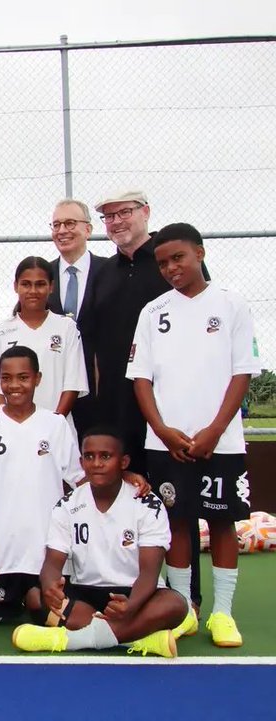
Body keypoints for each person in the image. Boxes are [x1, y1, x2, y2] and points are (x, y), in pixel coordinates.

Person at [127, 222, 260, 648]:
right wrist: (162, 430)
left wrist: (215, 430)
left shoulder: (232, 305)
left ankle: (222, 613)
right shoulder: (152, 312)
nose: (170, 268)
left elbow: (242, 373)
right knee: (177, 522)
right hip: (167, 442)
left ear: (200, 253)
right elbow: (140, 378)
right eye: (163, 261)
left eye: (178, 258)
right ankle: (184, 610)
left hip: (219, 441)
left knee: (221, 522)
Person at [83, 190, 209, 608]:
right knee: (128, 500)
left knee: (175, 503)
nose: (116, 222)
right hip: (119, 410)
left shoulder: (173, 262)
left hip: (170, 411)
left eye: (124, 213)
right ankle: (130, 590)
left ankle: (185, 596)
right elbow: (94, 343)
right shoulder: (101, 273)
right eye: (108, 217)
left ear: (145, 213)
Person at [11, 428, 187, 659]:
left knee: (176, 605)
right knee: (35, 597)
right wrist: (50, 586)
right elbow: (53, 563)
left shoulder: (148, 505)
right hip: (87, 593)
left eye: (105, 456)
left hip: (134, 595)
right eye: (89, 456)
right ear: (81, 461)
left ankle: (76, 640)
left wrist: (131, 607)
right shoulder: (67, 505)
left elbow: (149, 573)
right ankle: (135, 638)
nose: (97, 463)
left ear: (123, 462)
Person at [0, 347, 82, 625]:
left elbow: (80, 479)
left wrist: (126, 478)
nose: (15, 385)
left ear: (37, 379)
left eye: (23, 377)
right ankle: (18, 596)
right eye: (6, 378)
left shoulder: (55, 425)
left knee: (46, 609)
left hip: (45, 552)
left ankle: (33, 594)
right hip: (1, 552)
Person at [0, 257, 87, 424]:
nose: (33, 290)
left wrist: (54, 424)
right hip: (11, 429)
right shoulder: (0, 332)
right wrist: (11, 425)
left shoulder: (67, 328)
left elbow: (72, 384)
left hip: (55, 428)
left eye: (40, 284)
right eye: (26, 284)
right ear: (15, 286)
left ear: (51, 286)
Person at [45, 199, 107, 436]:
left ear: (88, 229)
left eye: (70, 223)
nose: (62, 231)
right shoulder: (40, 277)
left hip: (99, 393)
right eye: (56, 225)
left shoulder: (109, 272)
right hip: (55, 392)